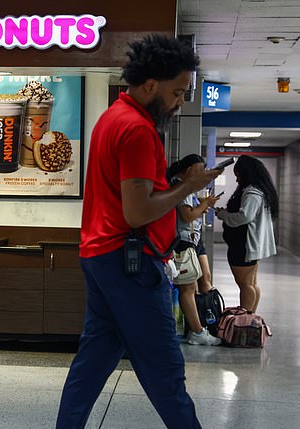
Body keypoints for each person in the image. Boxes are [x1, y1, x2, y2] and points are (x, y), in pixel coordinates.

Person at [56, 34, 222, 429]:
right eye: (178, 92)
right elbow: (137, 211)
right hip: (129, 261)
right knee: (165, 371)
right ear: (151, 85)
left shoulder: (111, 118)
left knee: (93, 363)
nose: (182, 101)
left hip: (101, 255)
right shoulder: (136, 130)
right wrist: (188, 186)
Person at [167, 154, 221, 345]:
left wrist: (203, 206)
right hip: (183, 240)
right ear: (189, 170)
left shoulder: (188, 188)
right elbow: (187, 215)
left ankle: (203, 324)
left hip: (193, 239)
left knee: (203, 279)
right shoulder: (182, 187)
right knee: (188, 287)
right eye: (200, 170)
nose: (203, 174)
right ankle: (197, 331)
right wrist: (205, 204)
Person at [215, 155, 278, 313]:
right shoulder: (258, 191)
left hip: (243, 245)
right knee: (251, 284)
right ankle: (249, 319)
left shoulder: (252, 193)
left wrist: (224, 215)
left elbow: (245, 216)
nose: (237, 181)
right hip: (245, 245)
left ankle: (244, 322)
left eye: (239, 176)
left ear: (246, 174)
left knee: (245, 284)